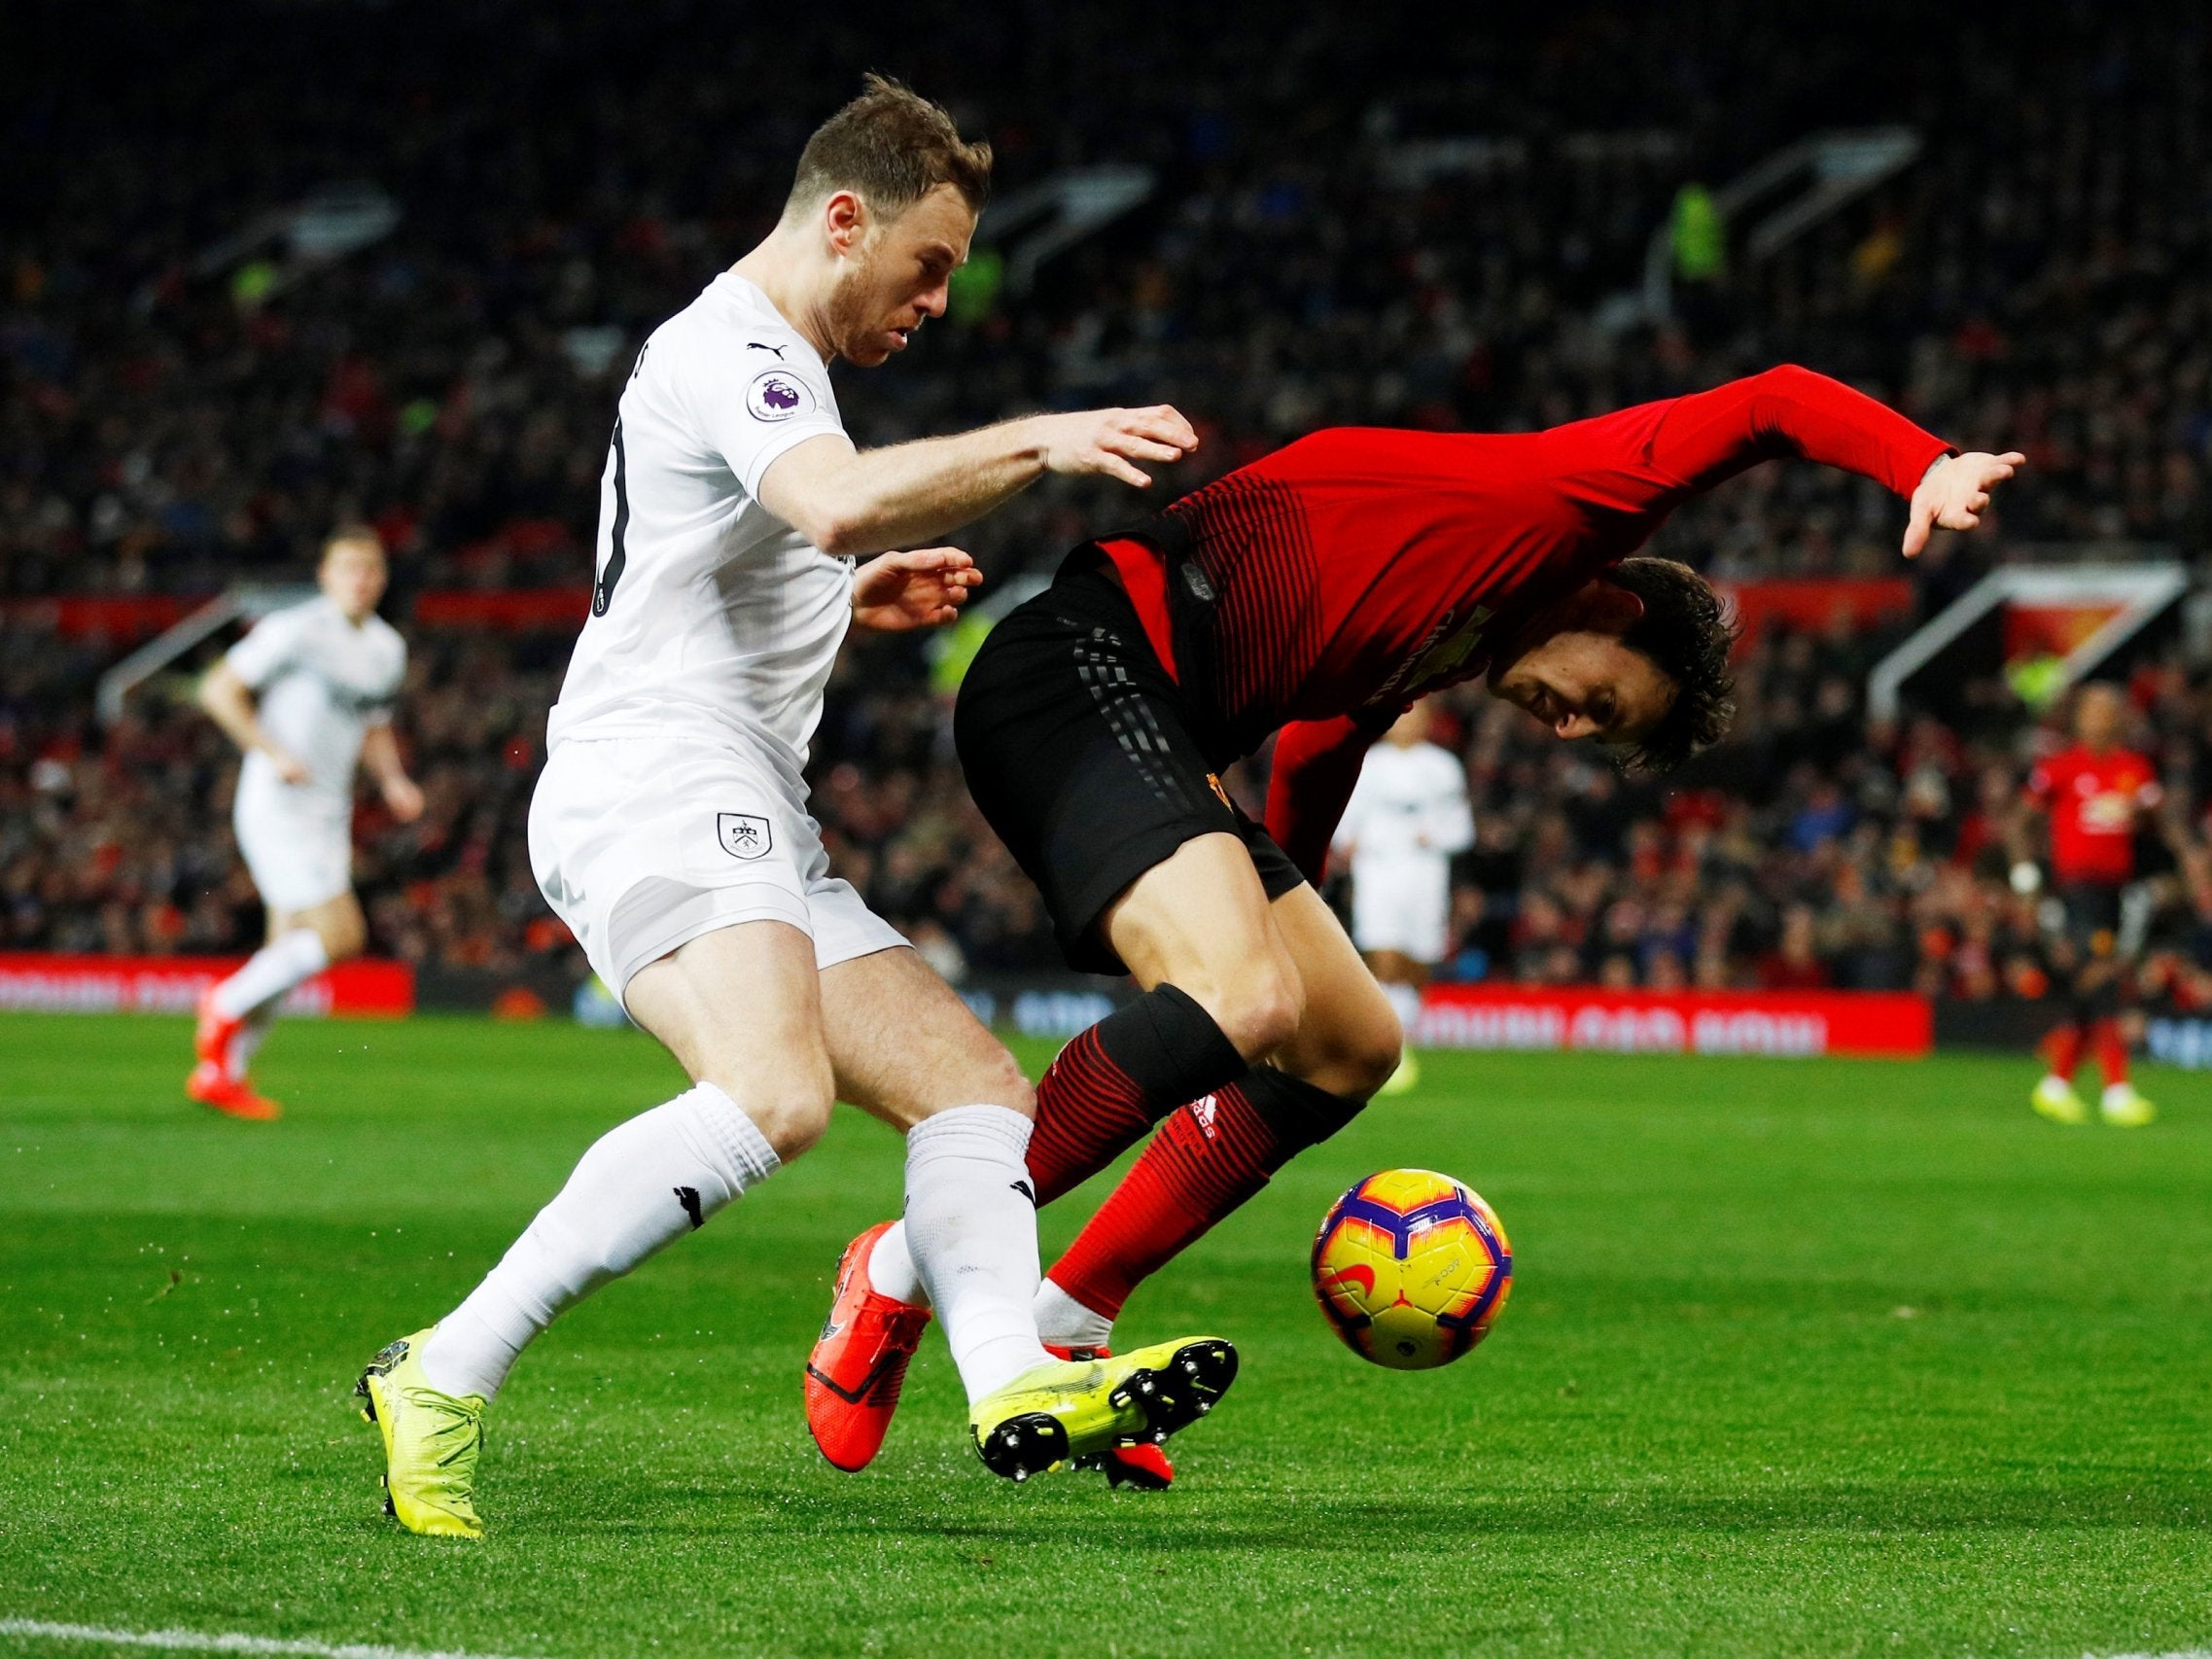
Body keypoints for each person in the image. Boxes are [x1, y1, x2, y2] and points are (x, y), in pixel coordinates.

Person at [810, 363, 2022, 1487]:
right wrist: (1922, 463)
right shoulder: (1557, 512)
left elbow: (1327, 736)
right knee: (1246, 995)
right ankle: (903, 1262)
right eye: (1597, 700)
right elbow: (1769, 400)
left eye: (1586, 735)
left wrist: (1300, 892)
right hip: (1084, 662)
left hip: (1159, 725)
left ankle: (1068, 1315)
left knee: (1347, 1040)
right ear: (1618, 612)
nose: (1561, 726)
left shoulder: (1464, 628)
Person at [357, 77, 1236, 1539]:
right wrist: (1040, 439)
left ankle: (1013, 1375)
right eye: (929, 264)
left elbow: (758, 543)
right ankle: (442, 1372)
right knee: (773, 1097)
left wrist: (843, 598)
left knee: (979, 1096)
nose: (937, 300)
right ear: (844, 220)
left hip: (733, 784)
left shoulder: (774, 364)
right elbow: (825, 500)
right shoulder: (733, 342)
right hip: (658, 772)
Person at [191, 526, 421, 1120]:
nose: (360, 580)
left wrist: (392, 780)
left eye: (370, 570)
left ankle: (222, 1073)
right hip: (278, 804)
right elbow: (219, 689)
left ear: (382, 579)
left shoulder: (386, 649)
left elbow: (372, 725)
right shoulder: (293, 630)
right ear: (325, 576)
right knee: (341, 935)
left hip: (328, 812)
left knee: (286, 949)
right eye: (348, 568)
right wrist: (269, 751)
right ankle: (222, 1002)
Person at [2021, 683, 2162, 1126]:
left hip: (2117, 890)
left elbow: (2156, 821)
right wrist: (2025, 878)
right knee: (2103, 979)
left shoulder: (2134, 769)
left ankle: (2055, 1085)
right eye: (2096, 711)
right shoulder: (2061, 767)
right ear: (2080, 719)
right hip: (2076, 890)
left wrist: (2140, 817)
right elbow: (2020, 820)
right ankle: (2117, 1092)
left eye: (2111, 711)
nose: (2103, 718)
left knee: (2090, 988)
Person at [1326, 699, 1474, 1094]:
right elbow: (1343, 819)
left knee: (1417, 958)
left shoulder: (1443, 767)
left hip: (1426, 873)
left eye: (1418, 717)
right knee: (1381, 951)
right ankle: (1388, 1045)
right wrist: (1349, 842)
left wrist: (1437, 837)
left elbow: (1462, 829)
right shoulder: (1369, 764)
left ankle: (1404, 1035)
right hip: (1378, 871)